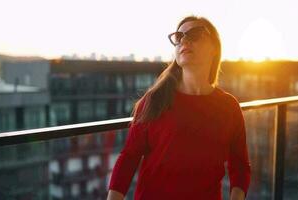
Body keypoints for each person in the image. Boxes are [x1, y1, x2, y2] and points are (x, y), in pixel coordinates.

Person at [107, 15, 251, 200]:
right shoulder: (155, 100)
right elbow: (129, 158)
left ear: (214, 48)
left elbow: (240, 165)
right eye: (179, 37)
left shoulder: (229, 107)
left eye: (195, 34)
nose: (185, 41)